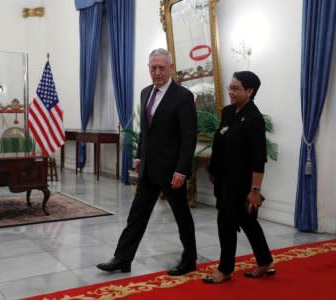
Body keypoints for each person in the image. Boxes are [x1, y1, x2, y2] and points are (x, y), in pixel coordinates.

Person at [97, 48, 198, 276]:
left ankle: (190, 259)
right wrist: (139, 156)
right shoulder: (145, 93)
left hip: (172, 172)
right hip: (149, 169)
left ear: (170, 68)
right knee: (137, 215)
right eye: (153, 67)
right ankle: (123, 259)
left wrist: (182, 170)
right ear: (148, 68)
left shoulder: (183, 97)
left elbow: (188, 137)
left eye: (162, 67)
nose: (157, 72)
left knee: (182, 216)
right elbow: (146, 130)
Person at [203, 71, 275, 284]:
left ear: (250, 91)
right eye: (230, 87)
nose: (231, 92)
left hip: (241, 183)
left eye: (236, 88)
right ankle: (264, 261)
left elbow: (258, 159)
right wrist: (214, 171)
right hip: (224, 179)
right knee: (248, 221)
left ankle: (225, 270)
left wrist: (255, 191)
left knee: (225, 222)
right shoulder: (228, 112)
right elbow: (221, 142)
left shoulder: (254, 119)